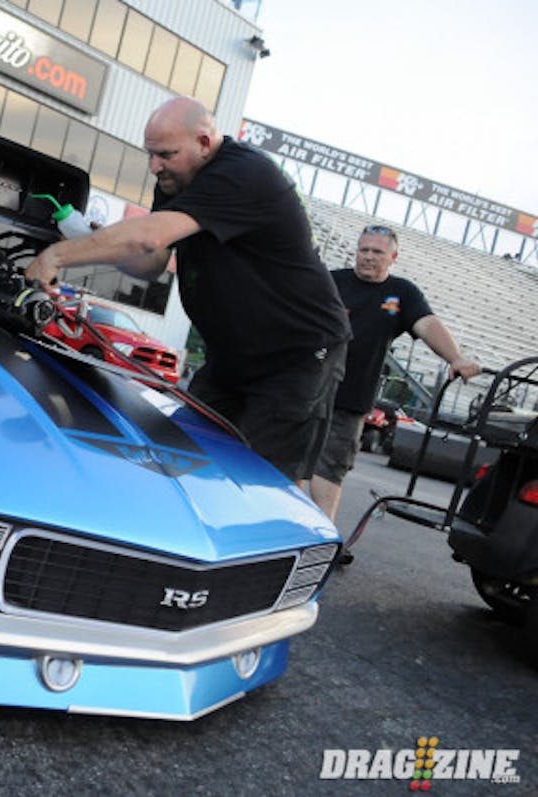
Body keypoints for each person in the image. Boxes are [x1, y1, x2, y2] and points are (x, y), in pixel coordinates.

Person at [26, 96, 351, 485]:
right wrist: (100, 245)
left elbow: (147, 240)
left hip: (297, 354)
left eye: (165, 154)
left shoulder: (243, 173)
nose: (154, 166)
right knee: (184, 456)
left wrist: (57, 256)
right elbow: (150, 263)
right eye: (150, 154)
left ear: (204, 142)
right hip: (233, 355)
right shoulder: (175, 179)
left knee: (264, 480)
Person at [310, 224, 481, 520]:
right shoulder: (332, 280)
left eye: (377, 252)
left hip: (350, 401)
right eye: (363, 250)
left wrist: (456, 358)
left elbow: (427, 324)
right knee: (288, 465)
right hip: (306, 391)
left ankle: (320, 540)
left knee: (330, 471)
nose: (368, 257)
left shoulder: (401, 292)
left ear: (393, 256)